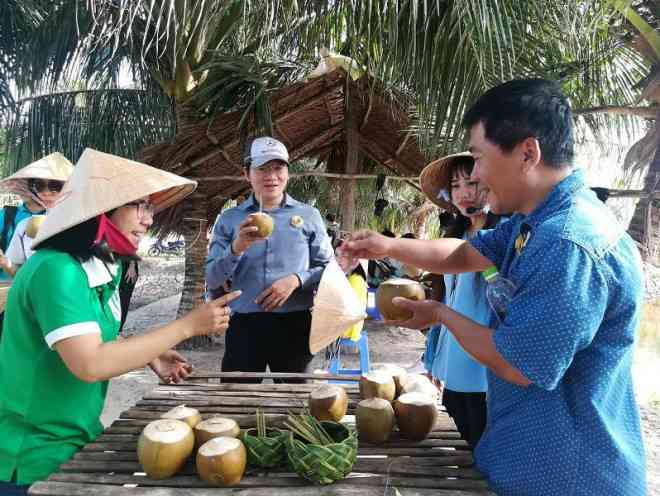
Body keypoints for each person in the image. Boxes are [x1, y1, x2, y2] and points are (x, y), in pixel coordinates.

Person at [341, 79, 645, 495]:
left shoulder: (567, 243)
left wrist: (442, 315)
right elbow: (466, 254)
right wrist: (388, 246)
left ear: (527, 153)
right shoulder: (533, 222)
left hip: (568, 475)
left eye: (480, 158)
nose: (477, 175)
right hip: (525, 458)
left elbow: (516, 364)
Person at [0, 148, 240, 494]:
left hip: (74, 435)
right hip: (32, 452)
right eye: (138, 205)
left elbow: (95, 336)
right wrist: (187, 326)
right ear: (100, 209)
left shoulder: (99, 269)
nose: (148, 219)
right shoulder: (56, 270)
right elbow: (90, 363)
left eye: (150, 208)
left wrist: (149, 354)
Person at [205, 137, 333, 384]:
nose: (271, 176)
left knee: (293, 404)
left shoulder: (308, 215)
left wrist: (297, 279)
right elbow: (212, 277)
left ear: (287, 172)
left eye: (278, 168)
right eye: (262, 168)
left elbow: (328, 268)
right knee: (236, 399)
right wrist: (237, 247)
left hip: (294, 324)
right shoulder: (230, 219)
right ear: (247, 173)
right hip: (244, 325)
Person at [419, 152, 501, 449]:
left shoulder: (505, 236)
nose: (464, 192)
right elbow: (446, 302)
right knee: (460, 445)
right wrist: (433, 357)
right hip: (453, 363)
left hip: (485, 368)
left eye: (471, 182)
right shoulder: (455, 236)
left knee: (483, 447)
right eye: (455, 185)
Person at [0, 153, 73, 280]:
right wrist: (6, 263)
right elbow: (20, 275)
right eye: (39, 186)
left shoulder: (87, 223)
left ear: (71, 185)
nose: (45, 193)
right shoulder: (24, 226)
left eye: (55, 185)